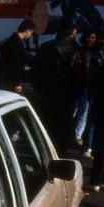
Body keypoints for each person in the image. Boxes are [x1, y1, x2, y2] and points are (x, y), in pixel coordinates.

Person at [32, 26, 82, 154]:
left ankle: (46, 150)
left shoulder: (45, 47)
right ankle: (61, 151)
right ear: (71, 32)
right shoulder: (75, 49)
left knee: (47, 123)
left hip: (47, 92)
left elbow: (36, 71)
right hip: (66, 94)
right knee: (63, 123)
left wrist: (38, 88)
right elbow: (78, 75)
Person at [88, 23, 104, 192]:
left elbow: (94, 82)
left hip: (103, 104)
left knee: (101, 142)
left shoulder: (101, 56)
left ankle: (96, 178)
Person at [73, 30, 101, 156]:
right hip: (78, 85)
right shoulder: (79, 51)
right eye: (89, 37)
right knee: (75, 110)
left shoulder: (96, 54)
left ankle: (77, 135)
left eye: (93, 38)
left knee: (84, 112)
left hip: (89, 87)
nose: (90, 40)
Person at [0, 18, 36, 92]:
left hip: (4, 80)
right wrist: (17, 83)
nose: (31, 35)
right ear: (27, 30)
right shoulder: (17, 43)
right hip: (11, 82)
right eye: (31, 32)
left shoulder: (10, 40)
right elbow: (15, 65)